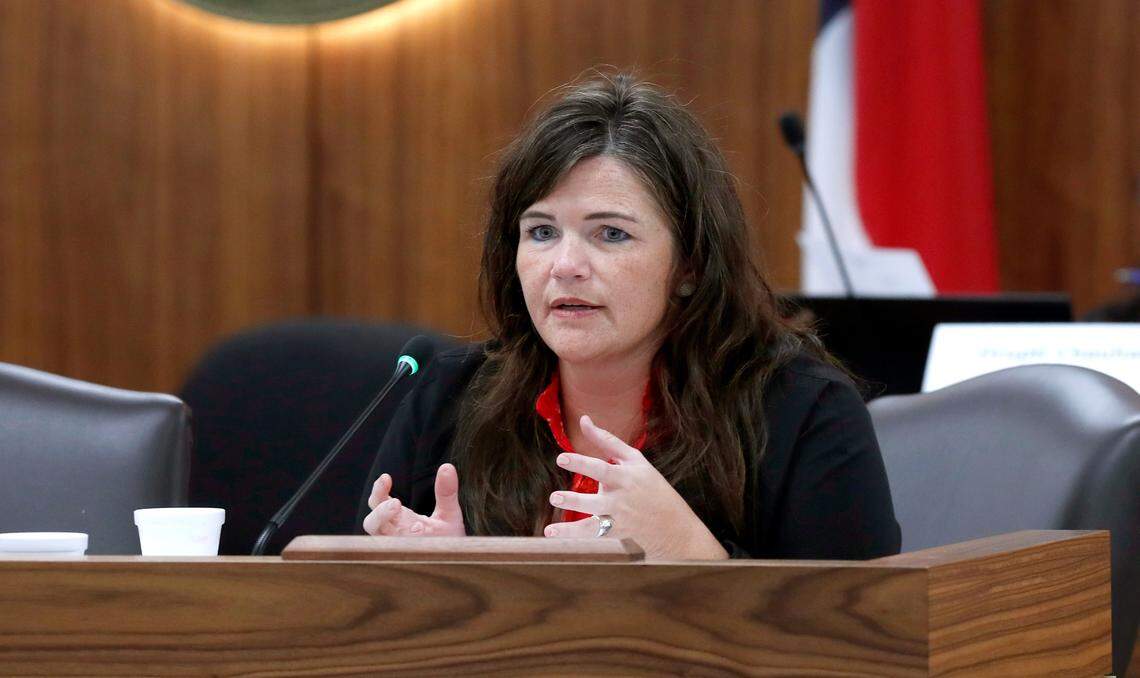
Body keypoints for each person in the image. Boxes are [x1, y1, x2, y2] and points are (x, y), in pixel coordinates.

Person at [360, 72, 900, 560]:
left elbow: (863, 646)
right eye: (542, 232)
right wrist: (439, 584)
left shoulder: (803, 415)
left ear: (690, 264)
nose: (565, 266)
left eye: (611, 234)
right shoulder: (447, 402)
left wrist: (694, 556)